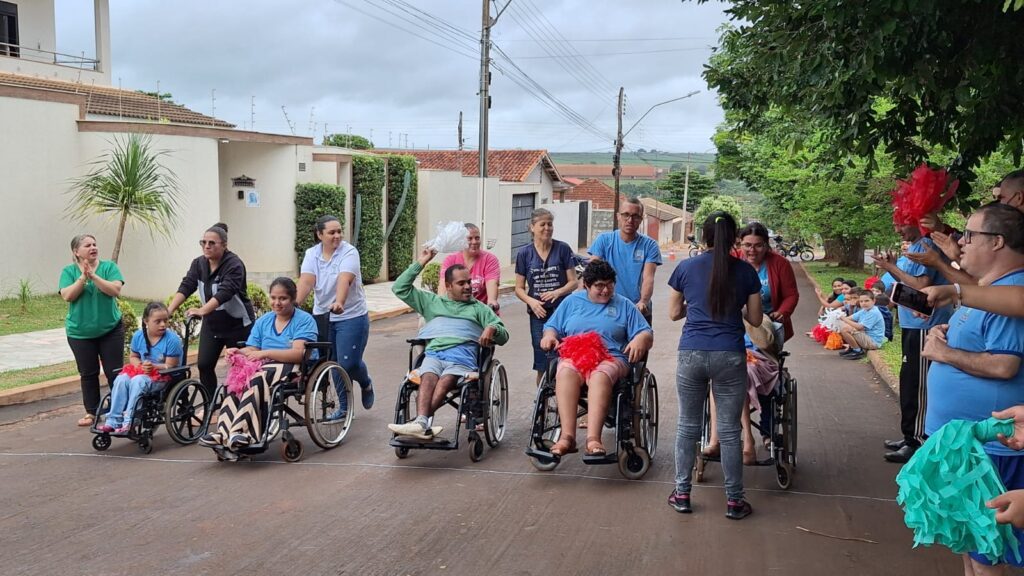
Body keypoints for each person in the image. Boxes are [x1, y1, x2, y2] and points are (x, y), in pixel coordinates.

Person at [919, 203, 1024, 573]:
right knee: (970, 547)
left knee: (988, 556)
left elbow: (1004, 365)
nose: (960, 242)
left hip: (992, 451)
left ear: (997, 242)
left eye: (969, 235)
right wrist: (944, 336)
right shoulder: (984, 291)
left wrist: (944, 353)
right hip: (967, 448)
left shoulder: (1011, 293)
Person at [667, 211, 763, 519]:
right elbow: (756, 319)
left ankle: (682, 494)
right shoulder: (746, 272)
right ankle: (734, 501)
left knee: (688, 425)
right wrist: (733, 308)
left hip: (692, 352)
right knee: (730, 430)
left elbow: (673, 313)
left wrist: (696, 305)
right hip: (729, 354)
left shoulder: (685, 268)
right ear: (735, 238)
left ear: (703, 236)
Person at [388, 248, 508, 440]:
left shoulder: (480, 309)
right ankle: (422, 424)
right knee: (428, 377)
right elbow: (399, 288)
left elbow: (504, 336)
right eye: (461, 283)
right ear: (448, 286)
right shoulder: (432, 302)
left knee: (445, 381)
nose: (468, 286)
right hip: (434, 354)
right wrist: (421, 262)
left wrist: (493, 328)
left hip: (462, 357)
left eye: (469, 282)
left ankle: (420, 423)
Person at [539, 260, 653, 456]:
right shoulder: (571, 302)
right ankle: (567, 437)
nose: (606, 290)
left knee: (600, 375)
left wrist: (639, 339)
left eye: (609, 285)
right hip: (575, 354)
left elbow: (646, 332)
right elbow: (552, 327)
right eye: (599, 286)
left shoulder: (624, 305)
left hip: (611, 356)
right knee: (564, 372)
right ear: (586, 285)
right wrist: (548, 336)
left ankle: (593, 439)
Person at [199, 278, 318, 458]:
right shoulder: (264, 321)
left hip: (294, 367)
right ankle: (223, 432)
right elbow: (253, 349)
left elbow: (298, 353)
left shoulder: (304, 320)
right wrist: (238, 351)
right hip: (264, 365)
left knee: (256, 379)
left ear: (293, 299)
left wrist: (266, 353)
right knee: (235, 380)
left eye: (283, 298)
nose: (277, 303)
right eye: (273, 298)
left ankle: (243, 432)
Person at [873, 221, 954, 463]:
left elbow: (921, 284)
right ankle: (910, 434)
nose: (898, 230)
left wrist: (890, 266)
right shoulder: (915, 247)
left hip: (925, 327)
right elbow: (902, 282)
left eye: (902, 225)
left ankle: (917, 440)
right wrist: (892, 267)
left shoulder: (927, 246)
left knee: (917, 386)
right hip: (912, 326)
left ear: (916, 222)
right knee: (909, 381)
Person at [296, 215, 374, 418]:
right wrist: (293, 305)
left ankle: (365, 382)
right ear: (319, 234)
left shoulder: (349, 252)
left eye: (339, 231)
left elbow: (344, 279)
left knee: (348, 363)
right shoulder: (312, 254)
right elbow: (306, 281)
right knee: (333, 362)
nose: (337, 235)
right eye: (332, 232)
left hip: (351, 315)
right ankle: (345, 408)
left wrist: (339, 301)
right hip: (323, 315)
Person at [167, 223, 256, 396]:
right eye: (203, 242)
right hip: (213, 324)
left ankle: (237, 403)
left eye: (212, 243)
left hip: (238, 325)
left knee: (239, 367)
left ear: (224, 245)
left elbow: (225, 292)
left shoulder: (234, 264)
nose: (206, 246)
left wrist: (202, 310)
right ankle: (210, 405)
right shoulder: (198, 263)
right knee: (204, 365)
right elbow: (187, 285)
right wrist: (169, 310)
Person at [59, 234, 125, 428]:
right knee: (88, 373)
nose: (93, 247)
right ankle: (92, 412)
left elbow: (115, 290)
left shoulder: (109, 267)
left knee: (115, 372)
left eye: (94, 244)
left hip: (110, 329)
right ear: (76, 252)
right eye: (87, 245)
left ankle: (120, 409)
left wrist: (94, 276)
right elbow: (67, 295)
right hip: (79, 333)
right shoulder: (69, 271)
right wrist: (83, 277)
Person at [514, 208, 578, 384]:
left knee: (564, 353)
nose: (547, 228)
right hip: (538, 313)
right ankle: (542, 395)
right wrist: (531, 302)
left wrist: (558, 292)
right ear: (532, 227)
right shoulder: (524, 254)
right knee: (542, 358)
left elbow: (573, 282)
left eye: (550, 224)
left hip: (563, 311)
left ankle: (565, 389)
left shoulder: (563, 249)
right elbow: (518, 288)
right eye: (542, 224)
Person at [99, 302, 182, 433]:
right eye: (158, 321)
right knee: (121, 379)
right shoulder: (138, 336)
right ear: (146, 321)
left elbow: (171, 365)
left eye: (165, 320)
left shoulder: (172, 340)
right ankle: (113, 421)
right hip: (142, 372)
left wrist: (154, 367)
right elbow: (133, 356)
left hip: (163, 377)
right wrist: (139, 365)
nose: (163, 324)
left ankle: (131, 420)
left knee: (138, 381)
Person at [588, 197, 662, 324]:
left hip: (637, 309)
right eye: (626, 215)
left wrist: (643, 301)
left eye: (635, 216)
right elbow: (591, 273)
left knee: (642, 337)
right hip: (608, 307)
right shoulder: (604, 240)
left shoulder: (650, 245)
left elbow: (648, 278)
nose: (630, 220)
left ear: (641, 219)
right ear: (618, 216)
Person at [737, 223, 799, 342]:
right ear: (741, 243)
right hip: (736, 325)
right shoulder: (732, 259)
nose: (752, 250)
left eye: (758, 245)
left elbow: (791, 295)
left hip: (768, 325)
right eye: (747, 245)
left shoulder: (780, 263)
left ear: (766, 245)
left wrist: (782, 312)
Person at [440, 223, 501, 312]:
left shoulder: (489, 259)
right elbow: (443, 290)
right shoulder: (450, 260)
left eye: (477, 238)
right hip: (457, 312)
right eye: (469, 238)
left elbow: (492, 285)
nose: (474, 242)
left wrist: (492, 303)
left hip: (482, 313)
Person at [836, 290, 886, 360]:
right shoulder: (864, 310)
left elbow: (860, 327)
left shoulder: (873, 312)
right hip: (866, 336)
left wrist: (843, 319)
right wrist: (837, 318)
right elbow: (850, 318)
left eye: (866, 301)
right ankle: (852, 347)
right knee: (843, 326)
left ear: (874, 301)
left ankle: (857, 351)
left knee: (845, 329)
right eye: (861, 301)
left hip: (873, 342)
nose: (864, 303)